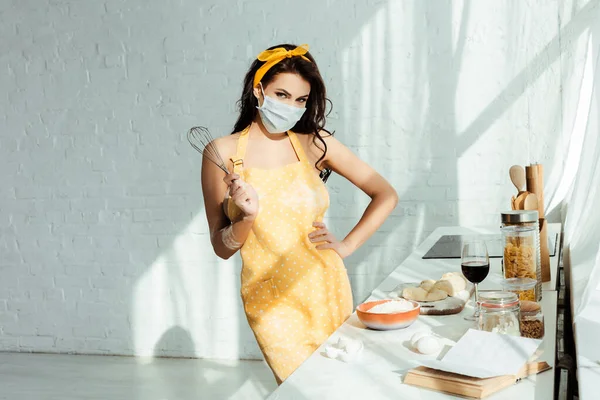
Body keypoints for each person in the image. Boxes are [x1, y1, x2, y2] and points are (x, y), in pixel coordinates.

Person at [201, 43, 398, 384]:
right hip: (269, 299)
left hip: (326, 287)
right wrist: (246, 218)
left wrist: (348, 246)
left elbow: (385, 194)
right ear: (258, 89)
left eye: (300, 100)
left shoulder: (314, 143)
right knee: (300, 388)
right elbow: (221, 247)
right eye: (282, 94)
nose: (291, 106)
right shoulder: (223, 152)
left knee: (339, 386)